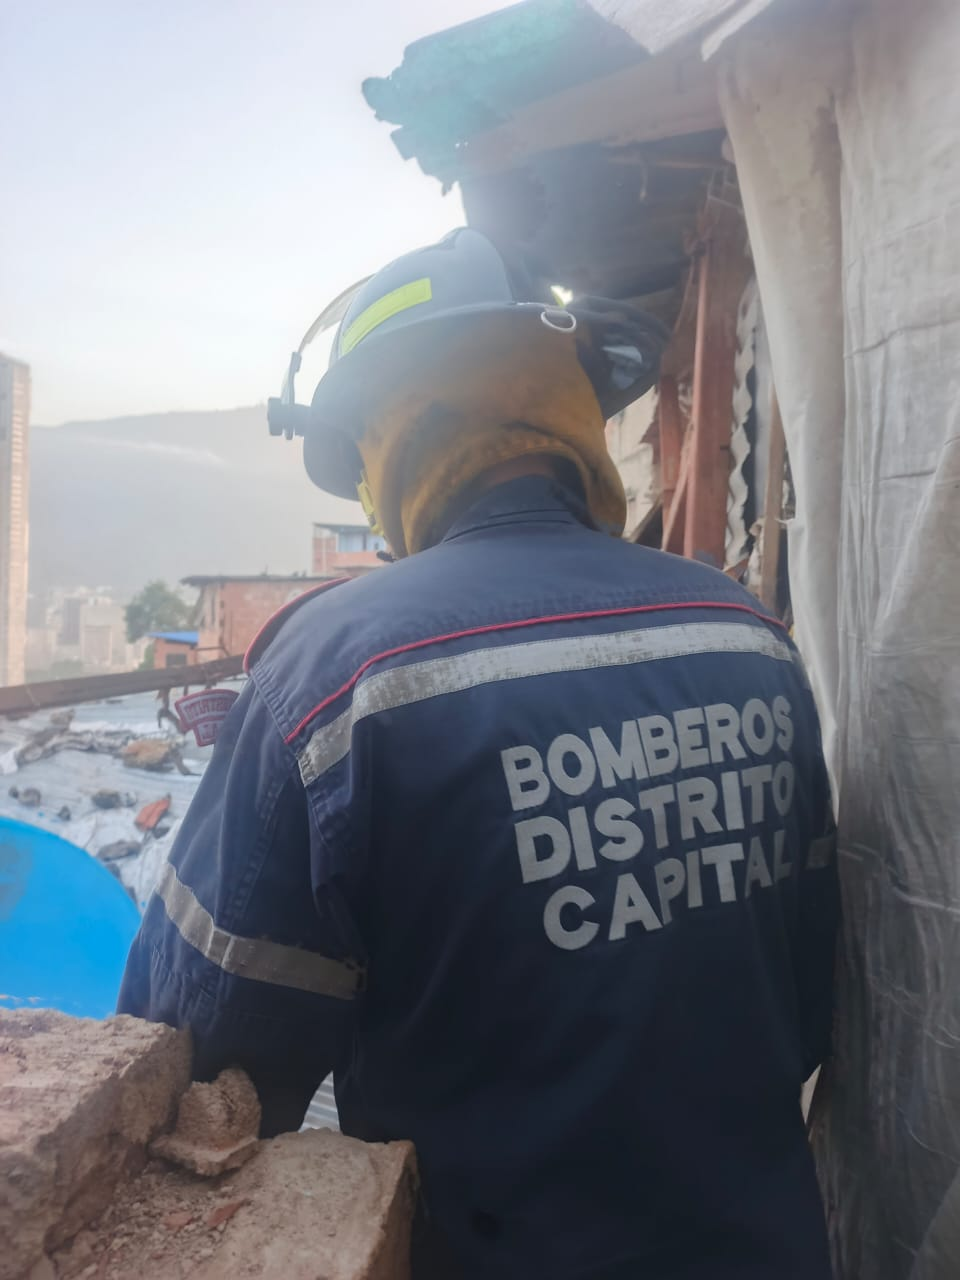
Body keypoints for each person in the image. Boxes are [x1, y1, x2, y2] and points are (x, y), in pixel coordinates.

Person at [119, 229, 840, 1280]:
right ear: (572, 412)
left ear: (392, 435)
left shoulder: (335, 674)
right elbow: (810, 986)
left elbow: (202, 1057)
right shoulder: (744, 630)